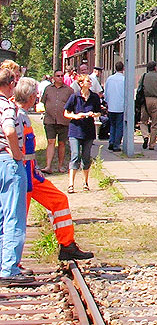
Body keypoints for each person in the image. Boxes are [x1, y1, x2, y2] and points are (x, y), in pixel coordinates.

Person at [13, 78, 92, 262]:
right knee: (17, 219)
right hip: (22, 174)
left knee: (59, 201)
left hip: (30, 174)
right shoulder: (16, 115)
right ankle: (11, 264)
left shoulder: (19, 114)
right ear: (32, 97)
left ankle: (67, 245)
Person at [0, 68, 31, 286]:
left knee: (2, 216)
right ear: (11, 84)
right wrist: (17, 153)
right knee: (13, 216)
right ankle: (9, 268)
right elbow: (10, 130)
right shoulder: (7, 106)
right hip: (8, 163)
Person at [63, 75, 100, 193]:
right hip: (75, 130)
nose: (90, 83)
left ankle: (85, 182)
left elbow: (99, 112)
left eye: (90, 81)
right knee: (75, 156)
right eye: (88, 81)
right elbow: (66, 113)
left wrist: (94, 115)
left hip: (88, 131)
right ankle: (71, 184)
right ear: (81, 84)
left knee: (86, 157)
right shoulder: (74, 96)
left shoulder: (94, 97)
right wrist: (75, 116)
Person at [41, 69, 73, 173]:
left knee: (62, 143)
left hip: (64, 121)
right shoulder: (48, 89)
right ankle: (48, 166)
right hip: (50, 120)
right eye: (57, 76)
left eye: (61, 76)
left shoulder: (69, 90)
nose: (60, 77)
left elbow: (72, 105)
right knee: (51, 142)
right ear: (53, 77)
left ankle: (60, 166)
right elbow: (43, 102)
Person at [139, 62, 157, 150]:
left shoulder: (144, 76)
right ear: (155, 68)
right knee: (154, 124)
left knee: (143, 121)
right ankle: (152, 145)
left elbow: (139, 87)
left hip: (145, 100)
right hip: (156, 100)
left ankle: (145, 136)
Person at [103, 62, 125, 152]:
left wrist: (107, 103)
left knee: (112, 125)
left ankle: (111, 142)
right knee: (119, 126)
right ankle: (116, 145)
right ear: (123, 69)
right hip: (121, 106)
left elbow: (106, 93)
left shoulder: (109, 79)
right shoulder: (124, 79)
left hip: (111, 106)